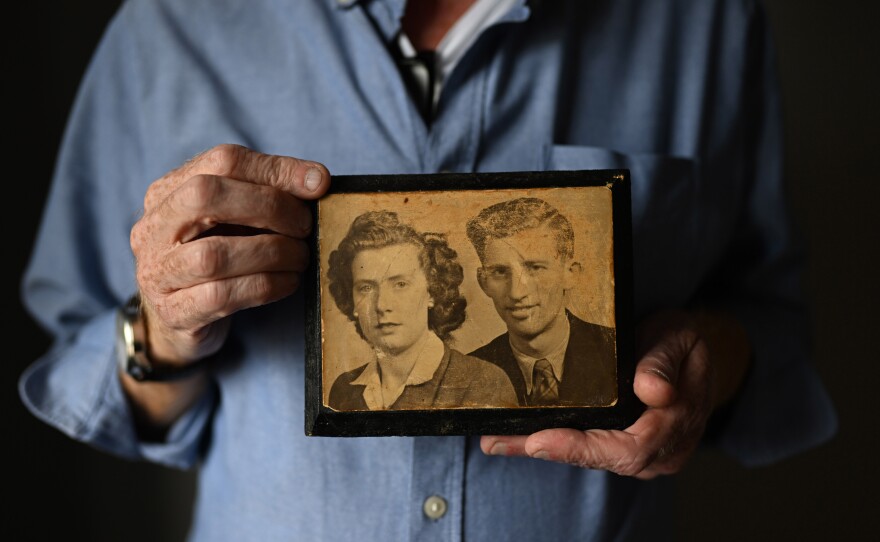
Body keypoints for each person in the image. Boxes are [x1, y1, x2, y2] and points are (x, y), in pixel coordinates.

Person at [18, 0, 837, 540]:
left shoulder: (704, 21)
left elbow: (769, 317)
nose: (377, 307)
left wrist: (708, 363)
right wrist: (160, 330)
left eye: (399, 284)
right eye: (363, 289)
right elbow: (76, 351)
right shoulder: (167, 27)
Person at [325, 210, 517, 410]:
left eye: (400, 284)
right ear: (352, 302)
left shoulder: (483, 383)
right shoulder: (344, 389)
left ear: (432, 292)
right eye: (366, 288)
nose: (381, 305)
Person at [466, 197, 617, 407]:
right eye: (500, 272)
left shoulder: (615, 352)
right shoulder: (467, 374)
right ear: (483, 282)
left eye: (535, 268)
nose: (517, 292)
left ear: (570, 274)